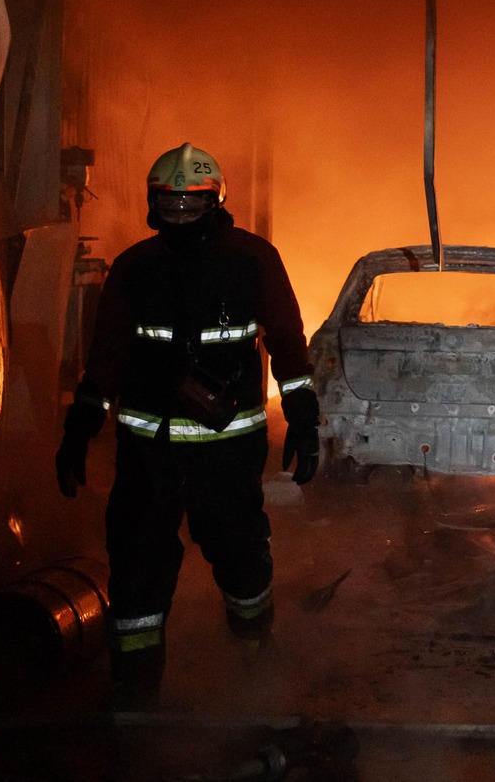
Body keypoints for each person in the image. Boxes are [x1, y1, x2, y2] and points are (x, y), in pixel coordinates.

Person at [54, 142, 320, 703]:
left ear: (214, 201)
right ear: (153, 203)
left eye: (190, 204)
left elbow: (289, 342)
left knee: (241, 555)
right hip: (147, 452)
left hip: (227, 451)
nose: (179, 215)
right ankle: (136, 690)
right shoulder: (134, 268)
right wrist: (79, 428)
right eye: (169, 205)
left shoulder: (253, 261)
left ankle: (257, 660)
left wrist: (302, 417)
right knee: (137, 569)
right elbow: (105, 357)